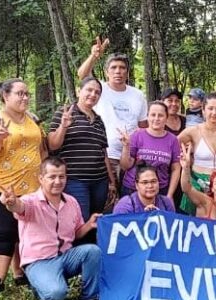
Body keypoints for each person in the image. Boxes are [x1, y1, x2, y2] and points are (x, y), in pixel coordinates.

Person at [0, 156, 101, 300]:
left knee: (93, 251)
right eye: (52, 177)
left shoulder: (72, 202)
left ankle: (89, 298)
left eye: (62, 176)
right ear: (41, 178)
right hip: (39, 261)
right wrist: (11, 202)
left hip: (66, 257)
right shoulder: (31, 201)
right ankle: (39, 286)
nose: (58, 181)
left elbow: (76, 233)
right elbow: (18, 207)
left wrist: (89, 225)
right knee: (56, 294)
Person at [0, 78, 45, 295]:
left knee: (24, 230)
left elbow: (41, 150)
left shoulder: (32, 120)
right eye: (19, 94)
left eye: (27, 93)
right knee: (4, 231)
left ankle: (20, 274)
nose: (25, 97)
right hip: (1, 186)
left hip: (32, 188)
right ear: (5, 96)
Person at [48, 77, 115, 237]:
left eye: (97, 92)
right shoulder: (64, 113)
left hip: (100, 181)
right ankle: (78, 257)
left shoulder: (99, 120)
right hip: (75, 180)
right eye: (89, 90)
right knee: (81, 222)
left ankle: (92, 257)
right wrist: (64, 126)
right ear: (79, 91)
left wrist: (112, 182)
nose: (93, 94)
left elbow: (103, 152)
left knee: (96, 221)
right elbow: (52, 145)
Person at [77, 37, 147, 184]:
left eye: (122, 68)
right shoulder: (99, 90)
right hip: (105, 156)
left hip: (132, 157)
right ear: (106, 71)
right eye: (113, 68)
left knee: (131, 198)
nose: (118, 71)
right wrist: (94, 56)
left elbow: (143, 126)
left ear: (127, 72)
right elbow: (82, 75)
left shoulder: (138, 95)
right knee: (109, 200)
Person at [177, 92, 216, 214]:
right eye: (210, 108)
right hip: (196, 185)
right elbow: (172, 145)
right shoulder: (193, 131)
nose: (214, 113)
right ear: (203, 110)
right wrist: (188, 158)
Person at [119, 101, 181, 200]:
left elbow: (176, 169)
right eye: (153, 115)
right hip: (132, 189)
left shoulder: (173, 140)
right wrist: (126, 146)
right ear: (147, 116)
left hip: (159, 191)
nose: (156, 119)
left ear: (166, 117)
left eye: (160, 115)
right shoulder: (137, 135)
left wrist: (170, 194)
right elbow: (125, 166)